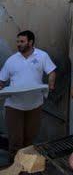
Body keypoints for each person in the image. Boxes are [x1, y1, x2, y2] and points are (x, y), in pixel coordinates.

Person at [0, 30, 56, 161]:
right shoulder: (11, 60)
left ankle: (26, 169)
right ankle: (14, 169)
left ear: (30, 42)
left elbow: (52, 71)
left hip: (35, 105)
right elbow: (1, 80)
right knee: (15, 142)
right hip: (14, 106)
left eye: (22, 41)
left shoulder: (42, 56)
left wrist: (51, 83)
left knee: (29, 140)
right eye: (18, 41)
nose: (18, 44)